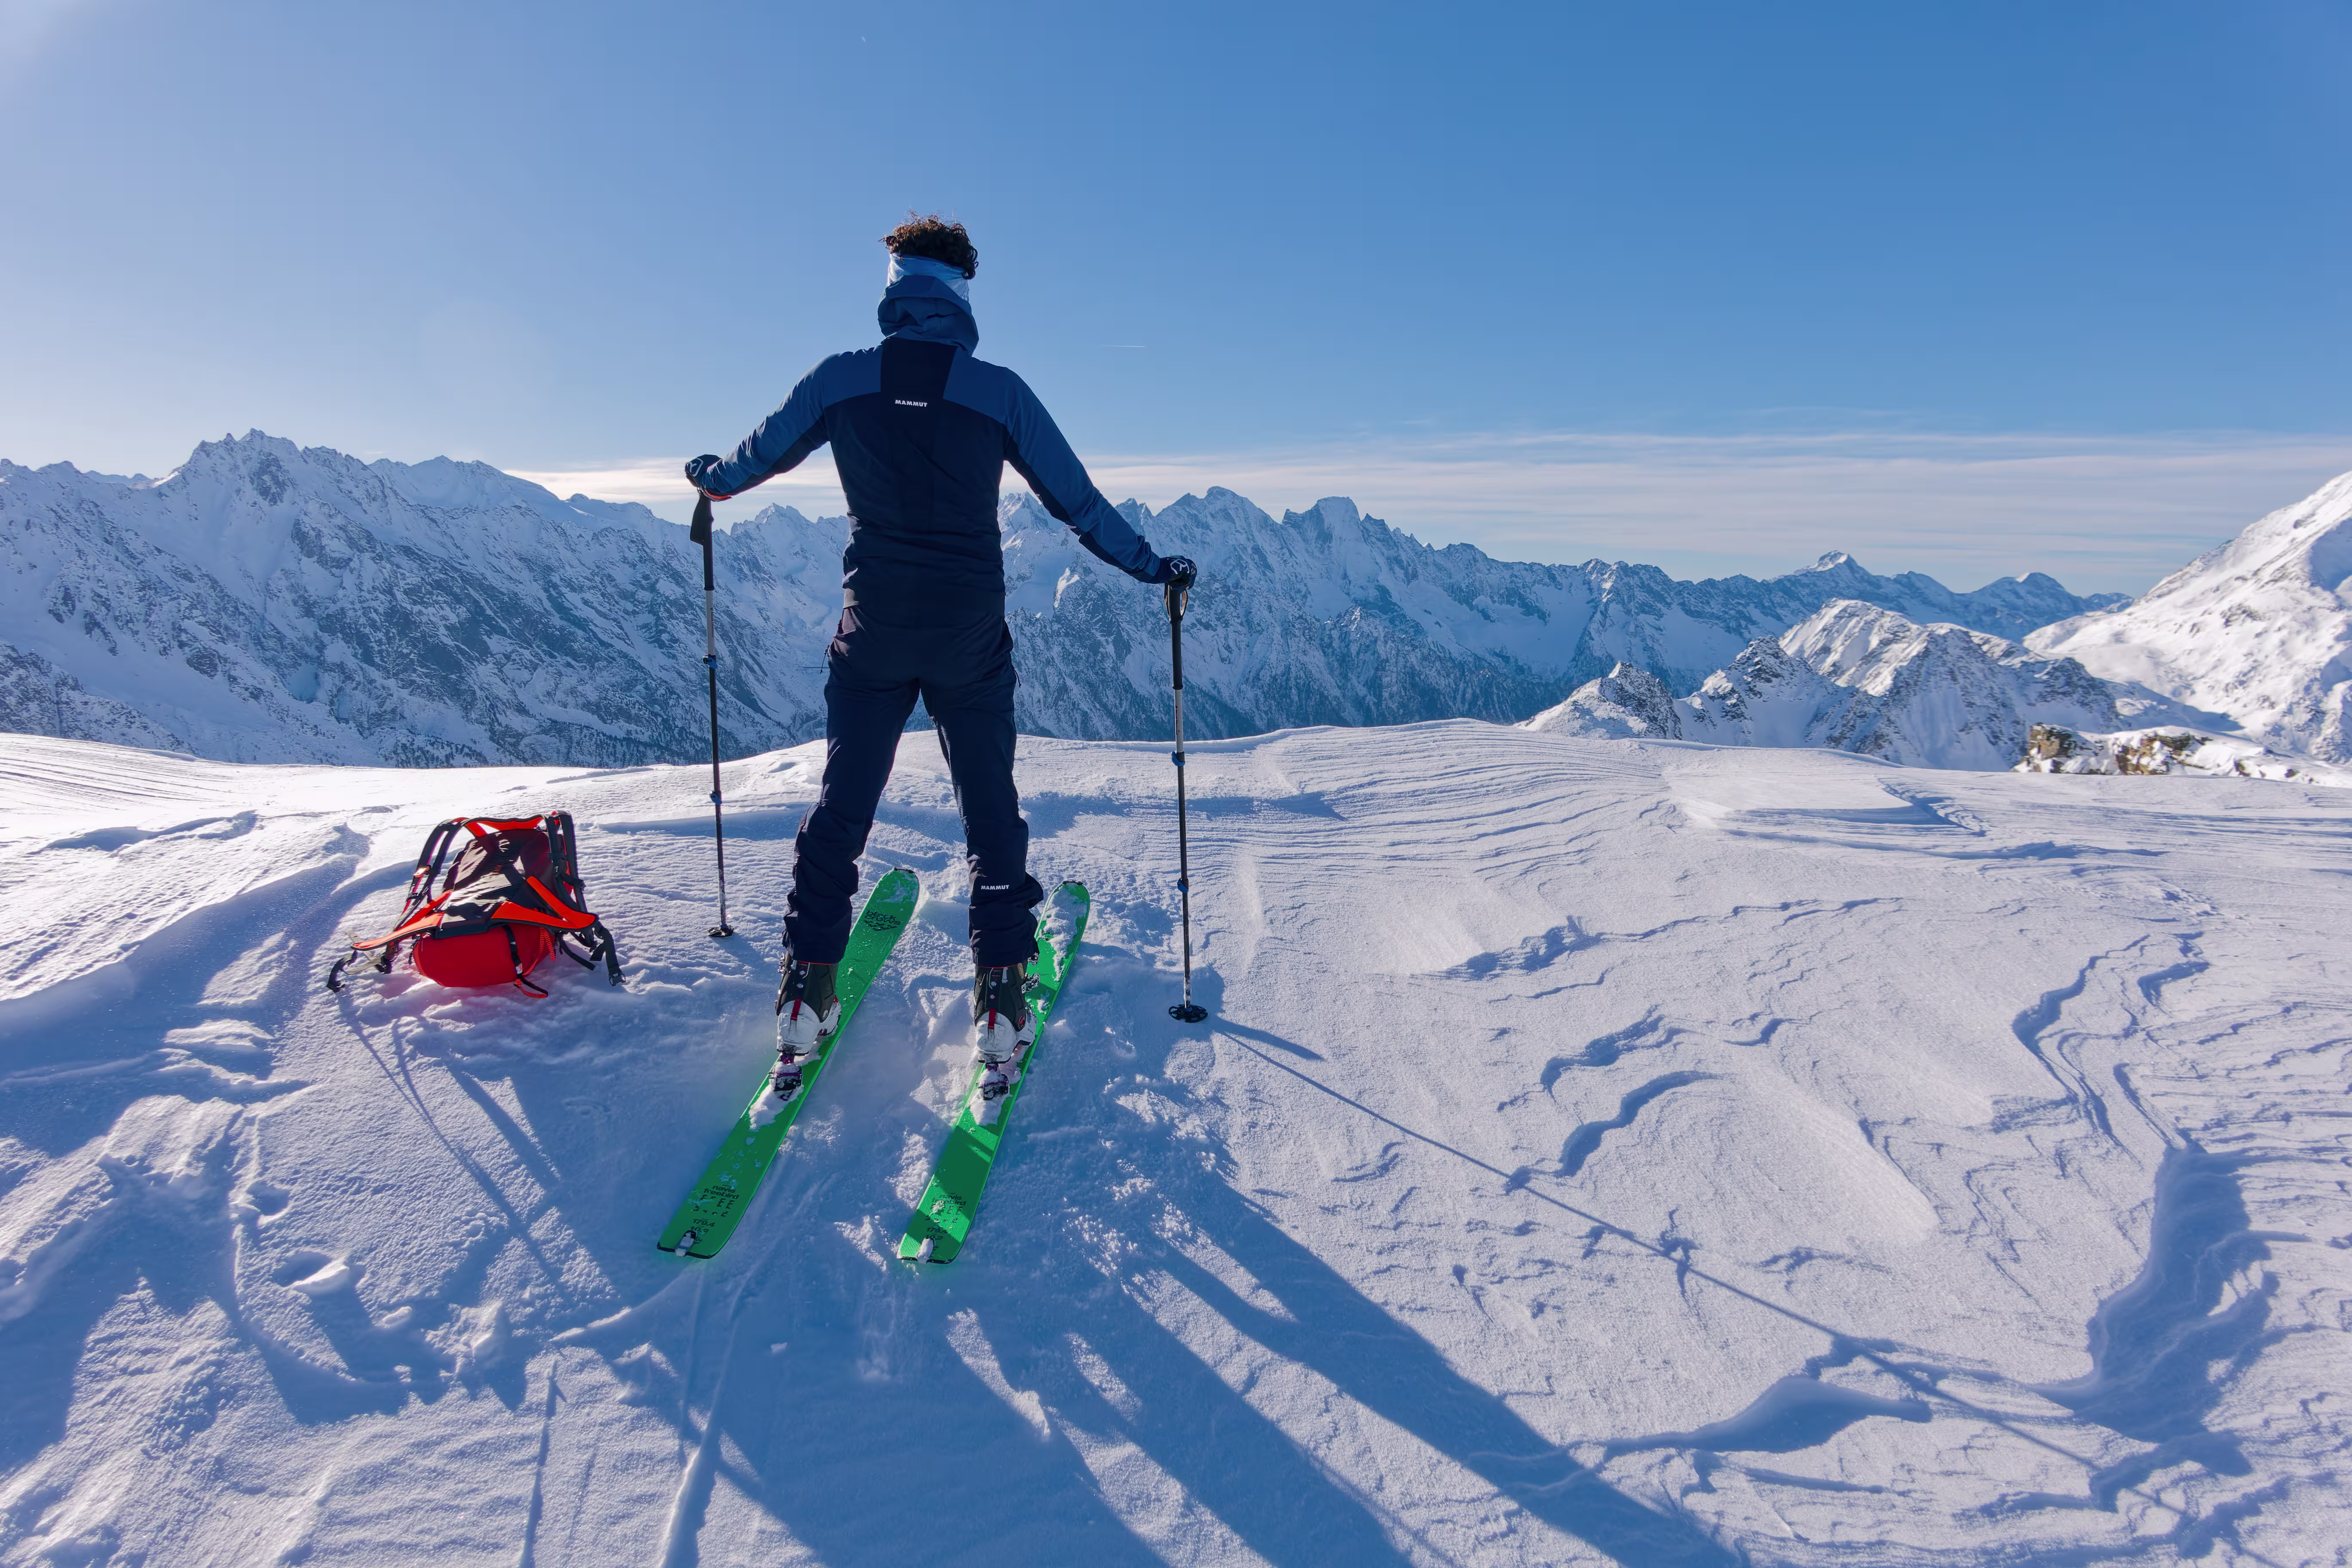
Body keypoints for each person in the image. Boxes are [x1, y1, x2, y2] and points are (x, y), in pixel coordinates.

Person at [686, 215, 1194, 1125]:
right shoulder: (998, 393)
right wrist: (1155, 567)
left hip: (873, 625)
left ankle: (806, 994)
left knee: (844, 806)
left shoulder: (839, 380)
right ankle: (1000, 1005)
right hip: (966, 633)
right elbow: (1079, 505)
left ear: (893, 284)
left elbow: (749, 463)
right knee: (989, 809)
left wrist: (710, 476)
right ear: (962, 291)